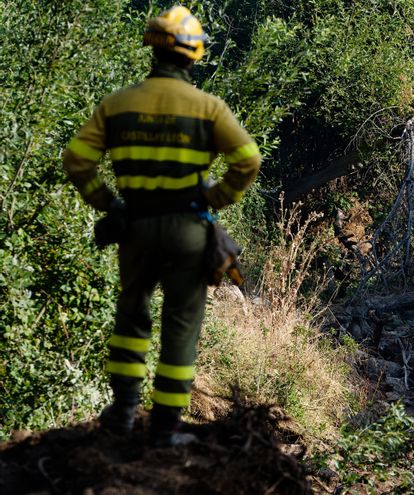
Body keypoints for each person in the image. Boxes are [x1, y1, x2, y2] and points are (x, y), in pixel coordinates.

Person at [62, 5, 261, 446]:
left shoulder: (117, 104)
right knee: (181, 325)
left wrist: (108, 203)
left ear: (152, 49)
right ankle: (166, 428)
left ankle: (124, 413)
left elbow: (77, 159)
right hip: (189, 228)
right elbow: (248, 160)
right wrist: (216, 197)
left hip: (134, 227)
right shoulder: (208, 107)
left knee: (132, 316)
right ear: (193, 56)